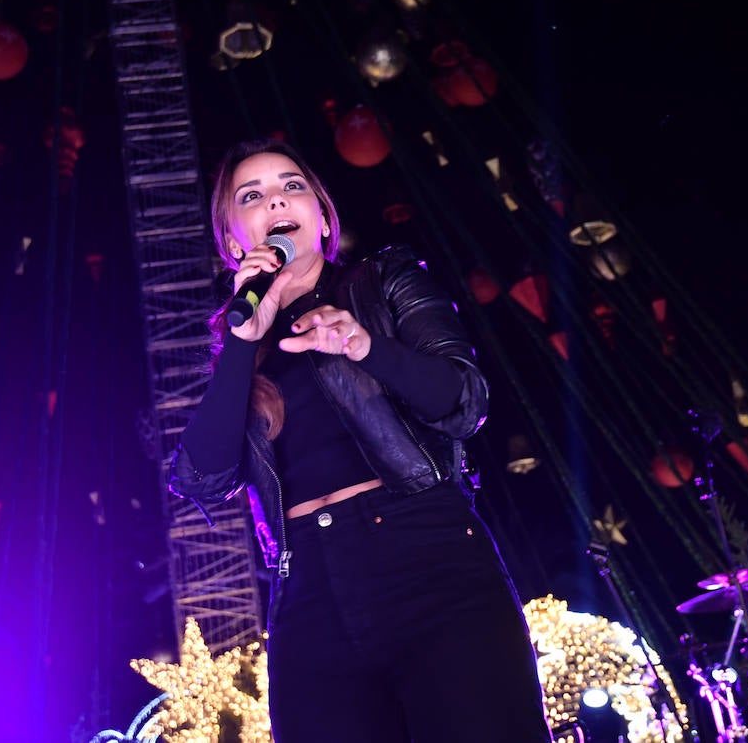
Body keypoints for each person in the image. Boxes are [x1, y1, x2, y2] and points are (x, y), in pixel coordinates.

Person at [167, 138, 553, 743]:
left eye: (291, 186)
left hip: (429, 554)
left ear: (321, 217)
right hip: (310, 589)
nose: (275, 200)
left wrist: (365, 347)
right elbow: (202, 479)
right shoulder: (245, 345)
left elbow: (463, 403)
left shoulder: (386, 281)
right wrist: (244, 342)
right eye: (252, 195)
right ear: (233, 239)